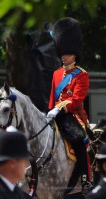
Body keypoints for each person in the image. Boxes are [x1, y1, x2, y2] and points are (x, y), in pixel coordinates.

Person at [46, 17, 92, 192]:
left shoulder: (81, 75)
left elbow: (77, 99)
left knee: (80, 141)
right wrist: (50, 111)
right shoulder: (56, 74)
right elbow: (52, 97)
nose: (63, 57)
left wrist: (59, 109)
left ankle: (86, 179)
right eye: (62, 54)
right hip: (55, 114)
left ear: (74, 54)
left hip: (73, 115)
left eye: (67, 54)